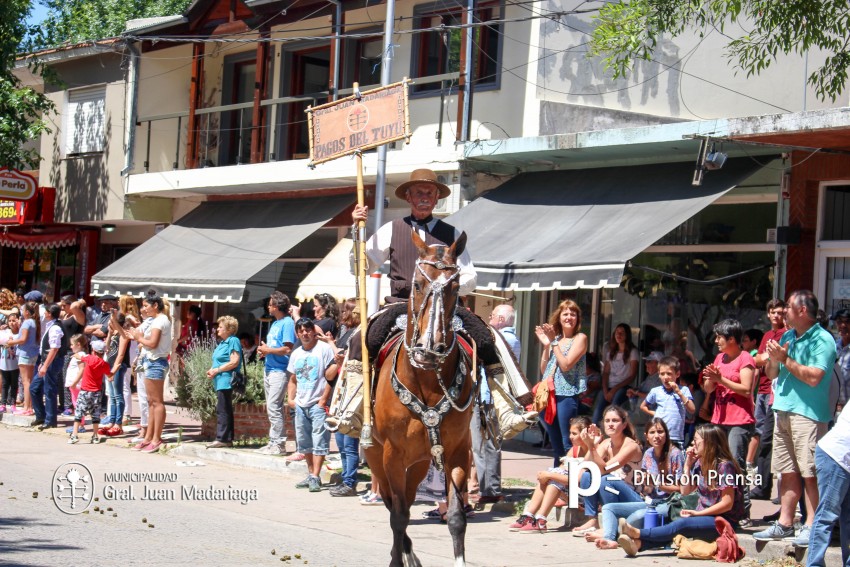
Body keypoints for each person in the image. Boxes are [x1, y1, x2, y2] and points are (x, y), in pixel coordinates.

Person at [345, 168, 535, 439]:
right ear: (409, 197)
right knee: (362, 337)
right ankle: (351, 406)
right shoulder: (392, 229)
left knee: (487, 337)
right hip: (402, 305)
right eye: (419, 193)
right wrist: (356, 230)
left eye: (430, 193)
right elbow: (361, 267)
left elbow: (471, 277)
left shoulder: (452, 233)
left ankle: (506, 407)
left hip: (446, 306)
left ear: (437, 199)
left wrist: (449, 281)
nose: (424, 198)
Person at [756, 290, 837, 547]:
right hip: (783, 410)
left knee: (810, 472)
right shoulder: (789, 336)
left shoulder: (823, 340)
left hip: (808, 415)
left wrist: (785, 359)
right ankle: (785, 523)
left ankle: (813, 526)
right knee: (787, 471)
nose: (784, 313)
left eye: (788, 307)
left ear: (802, 311)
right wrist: (772, 358)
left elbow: (814, 377)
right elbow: (771, 372)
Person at [617, 424, 746, 556]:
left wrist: (698, 514)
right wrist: (687, 466)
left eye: (696, 440)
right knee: (679, 525)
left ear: (708, 442)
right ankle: (638, 545)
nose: (692, 443)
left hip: (723, 521)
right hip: (706, 516)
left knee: (682, 524)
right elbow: (685, 491)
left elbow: (727, 504)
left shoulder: (725, 467)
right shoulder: (700, 463)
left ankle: (638, 533)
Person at [591, 417, 685, 549]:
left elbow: (682, 489)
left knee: (634, 518)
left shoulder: (675, 454)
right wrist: (644, 483)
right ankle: (609, 539)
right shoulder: (648, 453)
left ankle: (610, 531)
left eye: (660, 432)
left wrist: (657, 483)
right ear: (646, 436)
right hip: (648, 501)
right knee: (608, 504)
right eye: (652, 432)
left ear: (666, 434)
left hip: (668, 503)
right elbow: (647, 489)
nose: (656, 436)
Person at [470, 303, 521, 504]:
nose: (489, 319)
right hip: (485, 394)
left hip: (491, 396)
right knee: (481, 444)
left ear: (500, 319)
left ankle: (490, 489)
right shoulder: (504, 337)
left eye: (491, 316)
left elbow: (484, 351)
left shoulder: (505, 338)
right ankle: (486, 488)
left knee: (488, 443)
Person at [509, 416, 592, 532]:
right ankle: (529, 516)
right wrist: (547, 475)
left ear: (585, 433)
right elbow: (561, 469)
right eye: (570, 433)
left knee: (552, 478)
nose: (570, 437)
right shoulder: (574, 450)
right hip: (573, 494)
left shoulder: (592, 451)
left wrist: (549, 475)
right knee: (548, 477)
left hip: (587, 498)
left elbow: (576, 480)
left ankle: (541, 520)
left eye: (574, 434)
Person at [572, 405, 644, 534]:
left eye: (615, 421)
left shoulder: (631, 446)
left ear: (624, 425)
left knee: (606, 479)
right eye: (607, 421)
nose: (610, 424)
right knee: (588, 476)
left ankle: (611, 524)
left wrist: (591, 447)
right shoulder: (606, 444)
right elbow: (586, 466)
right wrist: (592, 444)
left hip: (634, 499)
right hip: (612, 492)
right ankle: (592, 519)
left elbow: (606, 469)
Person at [534, 299, 588, 466]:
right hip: (548, 396)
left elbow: (565, 365)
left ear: (578, 319)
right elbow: (544, 370)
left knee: (567, 441)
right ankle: (558, 481)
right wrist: (546, 346)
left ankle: (570, 480)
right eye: (565, 313)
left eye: (573, 314)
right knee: (556, 444)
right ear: (559, 317)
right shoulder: (555, 339)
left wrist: (554, 343)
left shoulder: (580, 338)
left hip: (566, 395)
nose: (569, 317)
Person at [287, 318, 338, 492]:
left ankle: (316, 476)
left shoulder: (323, 350)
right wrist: (290, 399)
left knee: (319, 442)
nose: (305, 333)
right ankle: (310, 475)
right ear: (297, 333)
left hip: (317, 404)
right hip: (301, 404)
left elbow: (331, 376)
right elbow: (293, 379)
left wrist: (323, 399)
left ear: (313, 332)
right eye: (301, 330)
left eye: (307, 330)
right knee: (304, 443)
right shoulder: (296, 353)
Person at [125, 291, 172, 454]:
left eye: (146, 306)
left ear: (155, 305)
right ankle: (148, 437)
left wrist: (138, 338)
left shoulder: (161, 320)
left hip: (156, 361)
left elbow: (152, 343)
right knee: (151, 401)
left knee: (157, 402)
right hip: (150, 361)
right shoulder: (155, 320)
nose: (144, 309)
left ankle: (156, 438)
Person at [749, 298, 786, 500]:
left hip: (776, 392)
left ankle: (768, 487)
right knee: (760, 435)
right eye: (773, 312)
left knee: (769, 439)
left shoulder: (785, 334)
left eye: (780, 312)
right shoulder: (767, 335)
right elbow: (757, 360)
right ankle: (762, 485)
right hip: (762, 391)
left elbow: (771, 360)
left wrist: (766, 357)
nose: (776, 316)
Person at [806, 403, 850, 567]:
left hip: (844, 459)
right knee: (827, 515)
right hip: (835, 457)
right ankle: (814, 564)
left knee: (847, 519)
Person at [255, 291, 296, 455]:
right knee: (272, 407)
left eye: (271, 304)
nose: (268, 306)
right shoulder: (275, 323)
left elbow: (288, 348)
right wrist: (265, 351)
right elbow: (275, 347)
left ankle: (279, 444)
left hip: (280, 370)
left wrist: (268, 350)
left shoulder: (287, 323)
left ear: (277, 306)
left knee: (274, 407)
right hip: (270, 368)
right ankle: (273, 442)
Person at [329, 299, 360, 497]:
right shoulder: (347, 332)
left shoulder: (359, 333)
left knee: (349, 442)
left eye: (345, 311)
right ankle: (345, 476)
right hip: (341, 388)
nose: (342, 315)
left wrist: (334, 347)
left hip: (352, 390)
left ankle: (350, 481)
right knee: (341, 440)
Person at [640, 356, 695, 446]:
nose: (665, 377)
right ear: (659, 374)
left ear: (677, 374)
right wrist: (656, 414)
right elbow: (643, 406)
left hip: (676, 437)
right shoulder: (656, 391)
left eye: (669, 374)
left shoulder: (684, 390)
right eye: (662, 374)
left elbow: (692, 409)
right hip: (659, 436)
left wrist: (679, 393)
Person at [67, 337, 112, 445]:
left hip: (85, 391)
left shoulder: (89, 359)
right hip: (96, 392)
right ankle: (95, 436)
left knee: (79, 412)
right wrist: (115, 369)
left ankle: (74, 435)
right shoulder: (104, 364)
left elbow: (79, 356)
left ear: (94, 351)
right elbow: (109, 375)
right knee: (95, 414)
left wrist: (75, 355)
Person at [207, 316, 242, 449]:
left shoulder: (233, 341)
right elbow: (219, 360)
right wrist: (212, 370)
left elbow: (234, 361)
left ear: (229, 329)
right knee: (223, 408)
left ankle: (223, 438)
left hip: (226, 379)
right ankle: (226, 438)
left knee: (223, 409)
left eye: (221, 327)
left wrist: (217, 370)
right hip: (219, 379)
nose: (218, 329)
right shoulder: (223, 343)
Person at [594, 323, 639, 424]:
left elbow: (632, 376)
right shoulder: (611, 351)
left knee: (614, 407)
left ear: (627, 335)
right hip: (609, 387)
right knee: (599, 407)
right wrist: (605, 390)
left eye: (622, 333)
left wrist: (614, 390)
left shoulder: (633, 352)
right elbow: (605, 372)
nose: (618, 335)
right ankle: (594, 429)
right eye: (617, 332)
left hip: (623, 387)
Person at [31, 303, 65, 430]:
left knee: (49, 390)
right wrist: (43, 362)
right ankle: (41, 415)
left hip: (52, 362)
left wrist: (45, 365)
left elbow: (54, 348)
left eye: (45, 312)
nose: (44, 314)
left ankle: (50, 420)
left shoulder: (55, 328)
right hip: (47, 361)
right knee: (34, 388)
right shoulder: (51, 325)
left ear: (50, 313)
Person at [98, 313, 131, 437]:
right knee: (111, 396)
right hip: (110, 366)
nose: (108, 324)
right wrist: (110, 334)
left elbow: (121, 354)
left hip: (117, 367)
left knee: (118, 395)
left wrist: (114, 369)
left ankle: (118, 423)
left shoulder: (124, 335)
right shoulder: (114, 334)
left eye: (111, 322)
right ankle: (111, 421)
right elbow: (106, 348)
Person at [6, 301, 39, 416]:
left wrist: (11, 342)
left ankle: (26, 407)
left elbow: (23, 339)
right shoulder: (34, 322)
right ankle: (29, 407)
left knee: (26, 381)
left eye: (22, 309)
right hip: (33, 353)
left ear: (26, 312)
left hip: (25, 353)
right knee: (29, 380)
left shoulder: (26, 323)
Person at [0, 312, 20, 413]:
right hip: (4, 362)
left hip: (15, 363)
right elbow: (2, 340)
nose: (11, 323)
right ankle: (3, 404)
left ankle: (13, 403)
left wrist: (11, 340)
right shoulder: (5, 332)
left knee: (14, 383)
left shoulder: (20, 333)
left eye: (14, 320)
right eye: (10, 321)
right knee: (4, 383)